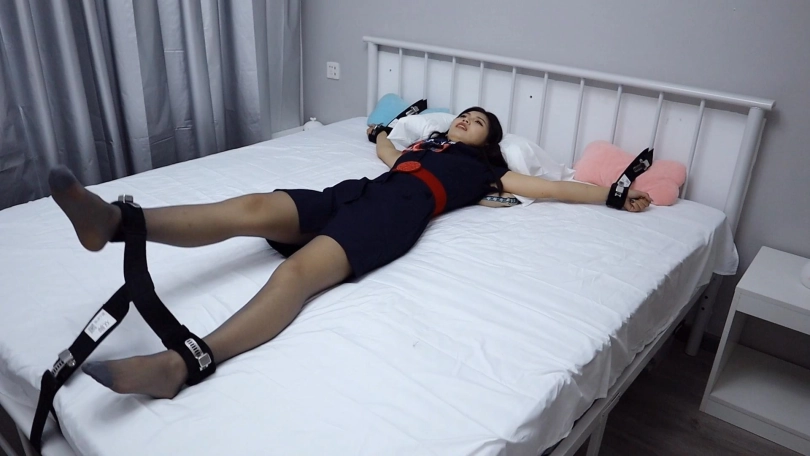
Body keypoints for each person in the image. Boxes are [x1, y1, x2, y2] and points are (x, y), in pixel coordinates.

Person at [48, 107, 650, 399]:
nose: (466, 120)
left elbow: (551, 188)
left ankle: (181, 364)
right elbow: (387, 154)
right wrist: (383, 132)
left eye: (477, 121)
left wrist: (612, 195)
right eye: (463, 115)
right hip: (355, 194)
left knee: (298, 273)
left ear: (491, 142)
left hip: (393, 218)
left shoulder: (486, 171)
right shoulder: (424, 149)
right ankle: (115, 221)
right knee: (254, 206)